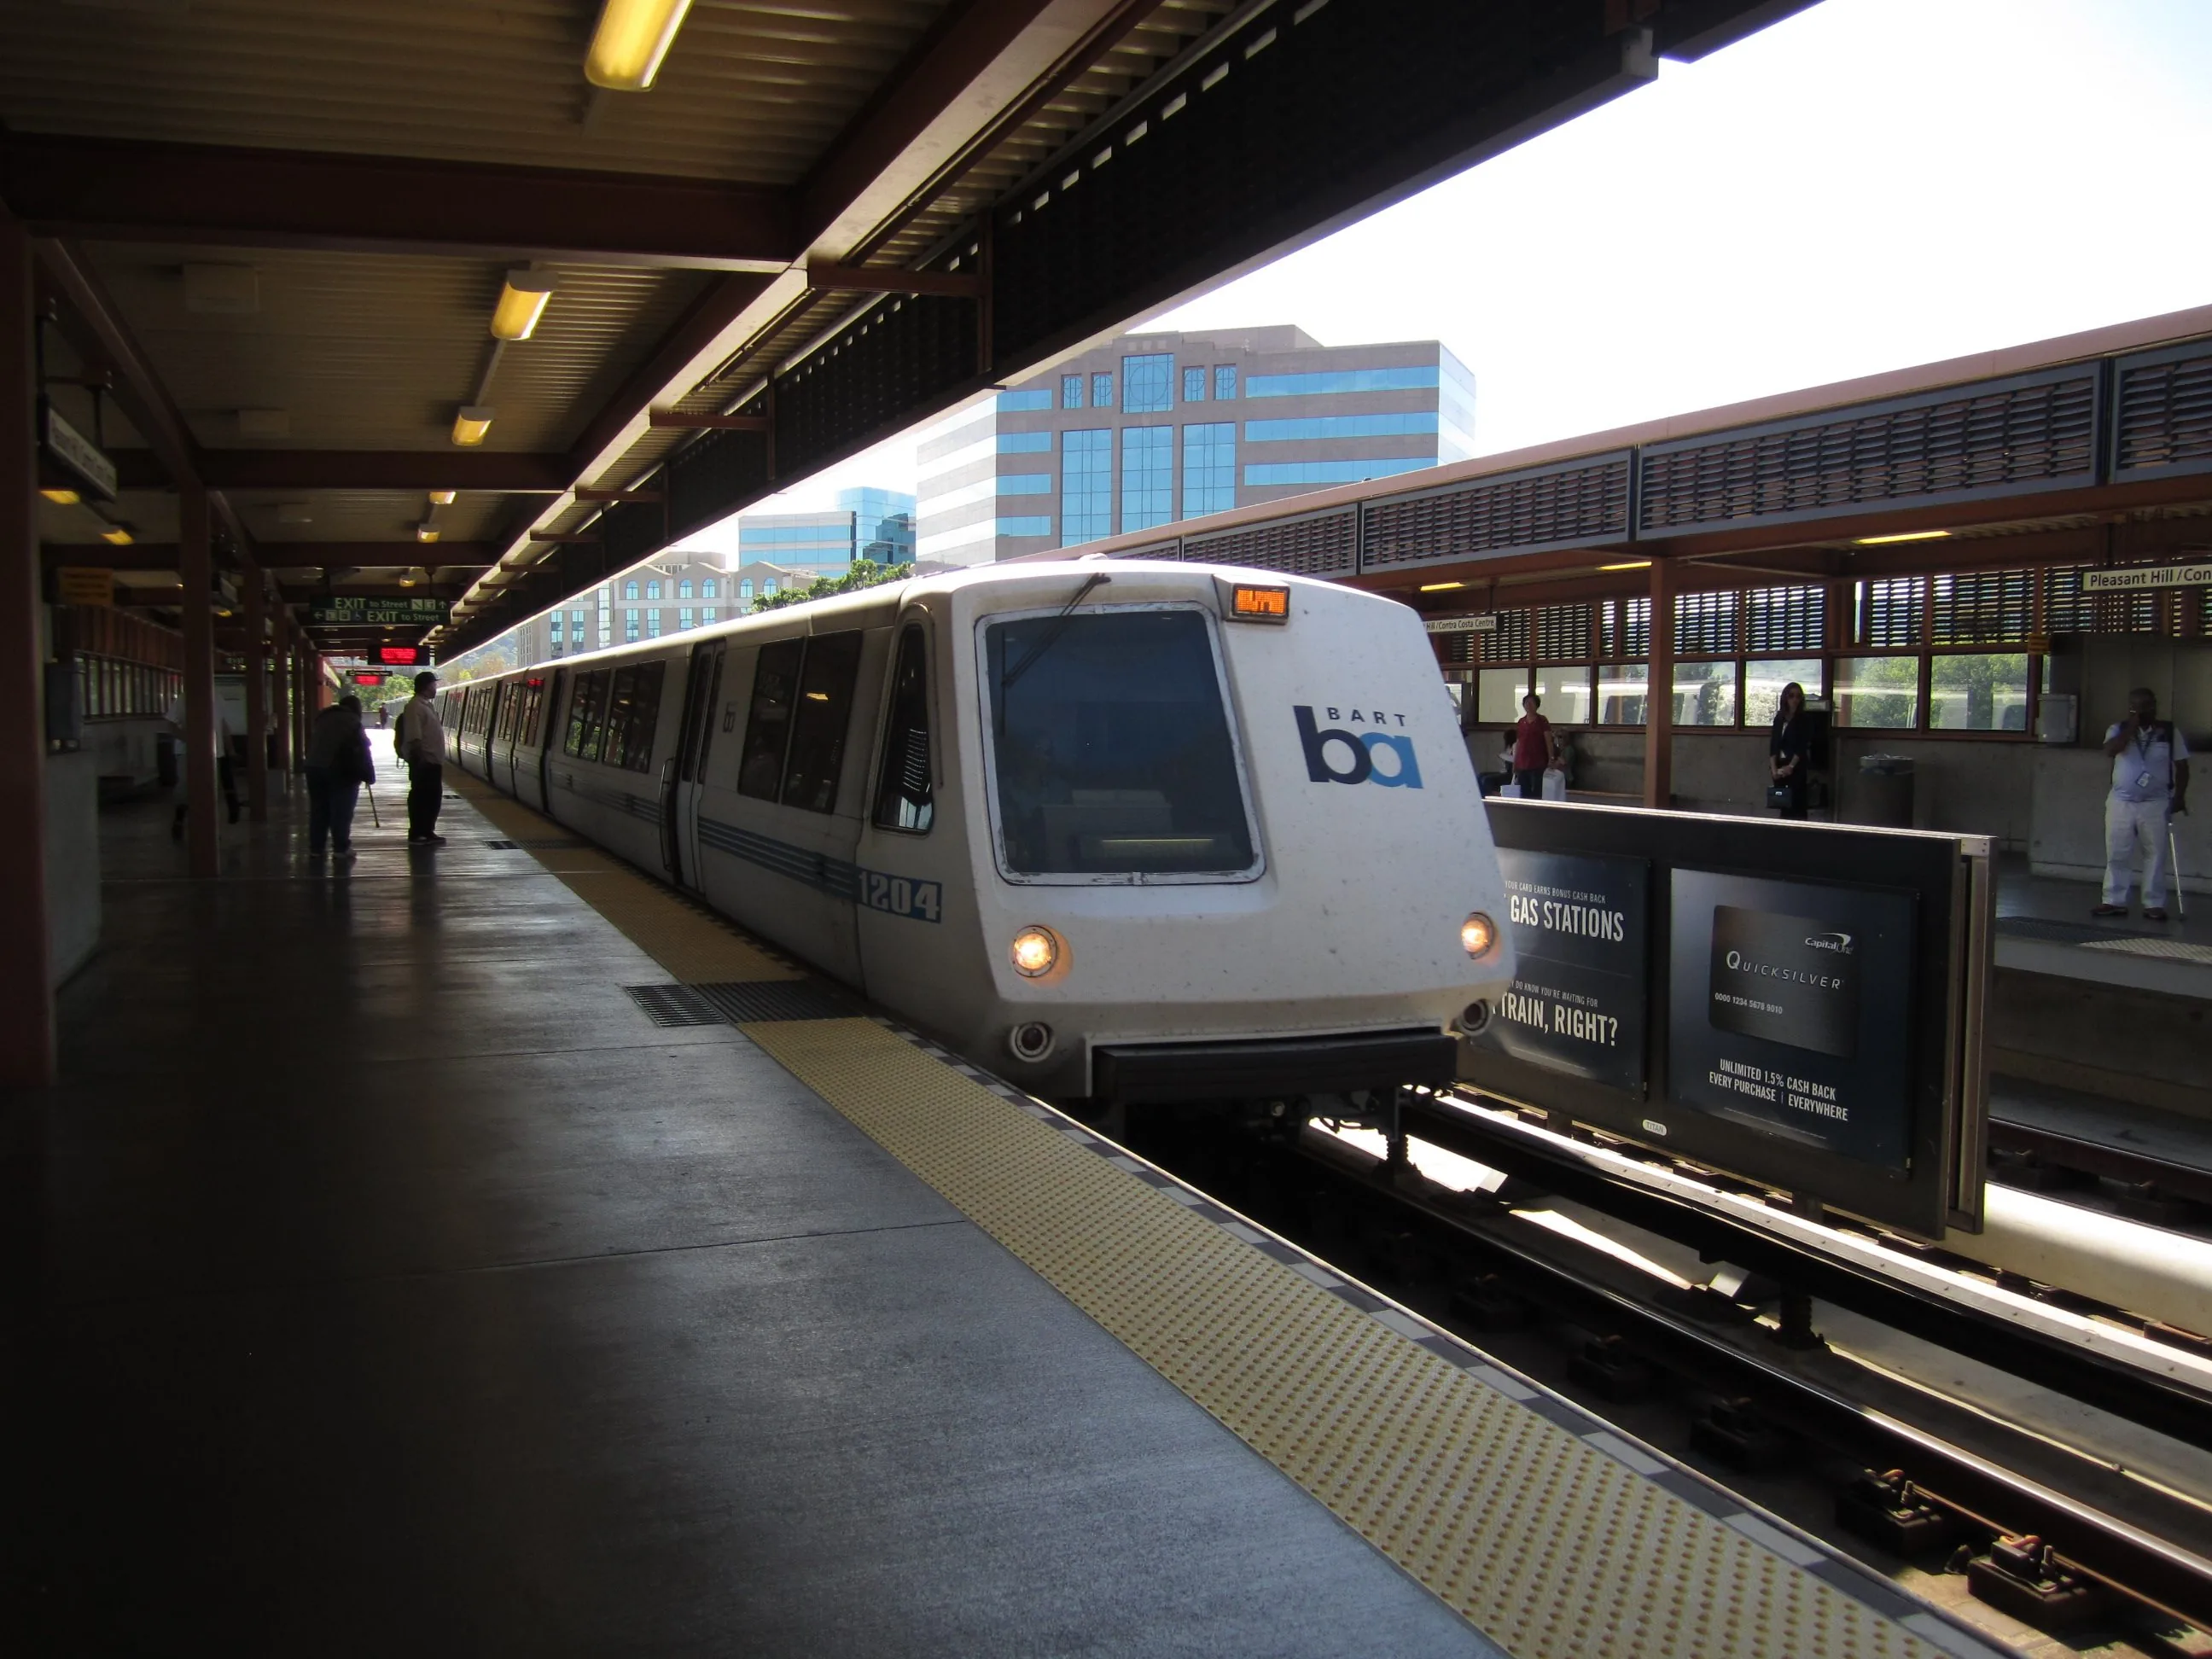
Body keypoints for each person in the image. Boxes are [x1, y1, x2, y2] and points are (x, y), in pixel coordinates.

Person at [2095, 687, 2189, 922]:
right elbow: (2110, 750)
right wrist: (2132, 726)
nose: (2142, 710)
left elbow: (2182, 766)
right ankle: (2113, 900)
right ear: (2130, 708)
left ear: (2154, 706)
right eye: (2136, 706)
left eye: (2147, 705)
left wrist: (2180, 796)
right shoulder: (2117, 729)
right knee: (2117, 852)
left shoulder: (2168, 731)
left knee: (2155, 853)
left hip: (2156, 802)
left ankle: (2153, 903)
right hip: (2121, 801)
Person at [304, 694, 375, 863]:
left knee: (319, 810)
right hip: (340, 770)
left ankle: (316, 849)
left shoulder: (322, 717)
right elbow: (363, 748)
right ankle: (341, 848)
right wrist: (368, 774)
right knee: (341, 811)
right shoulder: (352, 721)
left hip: (313, 768)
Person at [166, 690, 242, 840]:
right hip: (187, 752)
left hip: (215, 752)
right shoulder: (185, 698)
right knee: (184, 787)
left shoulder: (218, 697)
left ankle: (209, 827)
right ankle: (180, 816)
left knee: (210, 790)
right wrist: (189, 739)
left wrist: (231, 749)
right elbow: (170, 723)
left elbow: (223, 724)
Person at [393, 670, 448, 845]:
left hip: (432, 761)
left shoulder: (424, 705)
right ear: (426, 686)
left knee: (432, 798)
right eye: (433, 684)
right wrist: (420, 759)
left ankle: (427, 830)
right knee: (421, 798)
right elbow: (415, 737)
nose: (435, 688)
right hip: (424, 762)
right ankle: (417, 833)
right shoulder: (414, 707)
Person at [1768, 681, 1812, 820]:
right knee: (1783, 803)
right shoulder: (1779, 719)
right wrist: (1774, 769)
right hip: (1780, 765)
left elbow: (1802, 745)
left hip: (1796, 766)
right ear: (1785, 698)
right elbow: (1773, 745)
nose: (1794, 700)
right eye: (1791, 696)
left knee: (1797, 805)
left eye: (1798, 696)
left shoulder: (1803, 719)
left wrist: (1791, 766)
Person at [1511, 692, 1557, 800]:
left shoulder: (1542, 720)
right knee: (1524, 790)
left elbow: (1548, 740)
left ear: (1537, 705)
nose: (1528, 705)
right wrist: (1515, 761)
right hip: (1522, 761)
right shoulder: (1521, 722)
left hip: (1538, 761)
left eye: (1531, 703)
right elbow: (1518, 742)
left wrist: (1551, 758)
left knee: (1537, 790)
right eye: (1526, 703)